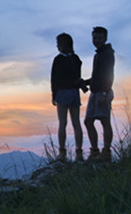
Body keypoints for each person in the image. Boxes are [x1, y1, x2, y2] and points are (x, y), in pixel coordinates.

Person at [51, 33, 84, 161]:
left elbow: (54, 79)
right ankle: (79, 152)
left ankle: (62, 152)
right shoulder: (76, 59)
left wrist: (54, 95)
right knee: (76, 123)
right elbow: (77, 77)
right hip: (74, 93)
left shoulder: (58, 60)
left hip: (62, 93)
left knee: (62, 123)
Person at [83, 26, 115, 161]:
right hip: (95, 92)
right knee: (88, 121)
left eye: (99, 38)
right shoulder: (98, 54)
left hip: (102, 92)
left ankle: (106, 152)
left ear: (105, 38)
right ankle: (95, 152)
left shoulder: (107, 54)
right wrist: (85, 82)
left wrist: (103, 91)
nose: (96, 40)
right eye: (94, 37)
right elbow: (97, 76)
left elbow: (108, 74)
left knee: (104, 121)